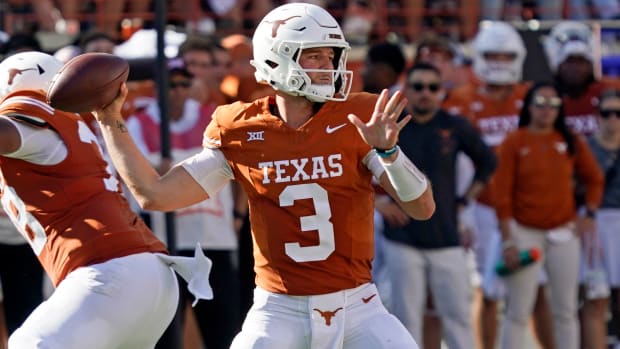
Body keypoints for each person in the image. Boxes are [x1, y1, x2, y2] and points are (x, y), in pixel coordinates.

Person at [94, 3, 435, 349]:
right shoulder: (242, 129)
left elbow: (422, 208)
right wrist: (110, 121)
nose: (328, 66)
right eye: (313, 56)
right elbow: (156, 195)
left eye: (330, 56)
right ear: (277, 60)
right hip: (279, 309)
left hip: (359, 305)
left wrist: (388, 153)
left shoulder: (357, 120)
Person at [0, 51, 212, 348]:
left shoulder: (29, 111)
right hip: (153, 275)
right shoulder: (74, 126)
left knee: (29, 343)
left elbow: (8, 132)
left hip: (109, 271)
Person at [379, 62, 496, 348]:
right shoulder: (391, 127)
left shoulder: (453, 126)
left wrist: (463, 201)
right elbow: (356, 166)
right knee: (406, 320)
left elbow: (488, 161)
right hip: (402, 238)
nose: (425, 93)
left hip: (446, 236)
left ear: (441, 92)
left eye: (433, 87)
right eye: (418, 87)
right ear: (406, 90)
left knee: (457, 318)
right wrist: (378, 204)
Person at [127, 58, 240, 349]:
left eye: (183, 84)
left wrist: (239, 215)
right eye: (171, 84)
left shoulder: (211, 118)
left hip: (214, 238)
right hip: (166, 244)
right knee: (165, 333)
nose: (177, 91)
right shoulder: (138, 123)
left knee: (223, 330)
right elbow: (136, 175)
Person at [494, 81, 604, 349]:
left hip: (564, 232)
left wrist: (588, 212)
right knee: (519, 309)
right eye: (541, 103)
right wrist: (509, 241)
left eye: (553, 104)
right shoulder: (514, 141)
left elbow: (594, 179)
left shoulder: (569, 140)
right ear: (529, 106)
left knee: (566, 309)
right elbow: (501, 195)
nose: (547, 110)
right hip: (525, 232)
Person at [543, 21, 620, 348]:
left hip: (607, 208)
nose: (611, 118)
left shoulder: (608, 93)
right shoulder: (546, 99)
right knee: (580, 294)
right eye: (569, 62)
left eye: (581, 61)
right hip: (573, 211)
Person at [586, 88, 620, 348]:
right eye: (606, 113)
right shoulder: (586, 148)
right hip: (595, 224)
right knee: (595, 296)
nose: (613, 118)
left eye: (618, 113)